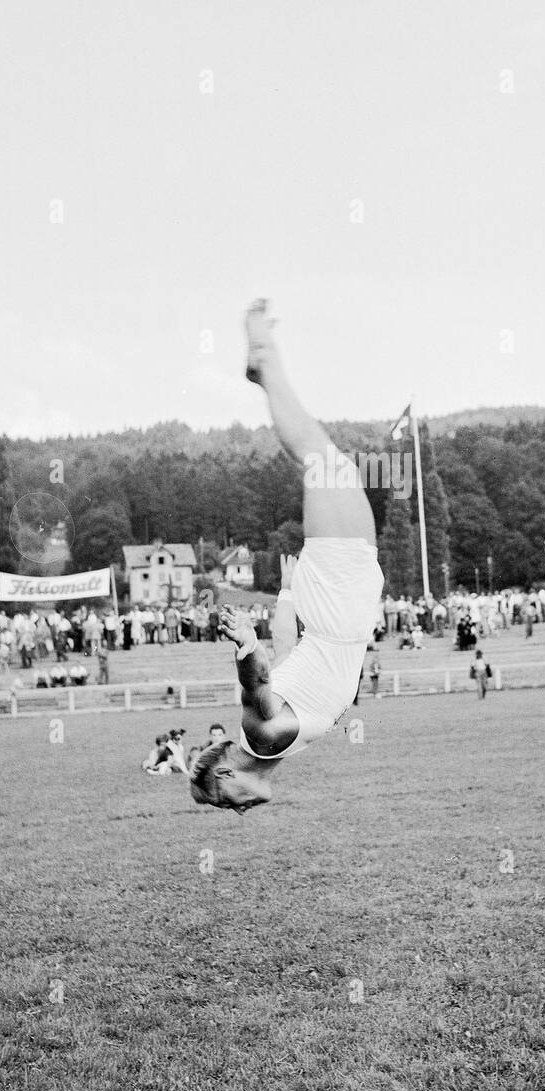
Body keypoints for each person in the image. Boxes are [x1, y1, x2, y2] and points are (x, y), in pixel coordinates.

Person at [188, 300, 384, 814]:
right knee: (327, 462)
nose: (234, 809)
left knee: (320, 459)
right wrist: (288, 591)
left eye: (222, 799)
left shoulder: (260, 734)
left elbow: (256, 682)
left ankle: (265, 364)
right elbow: (288, 652)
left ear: (226, 770)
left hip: (340, 603)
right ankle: (265, 366)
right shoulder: (277, 747)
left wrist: (246, 645)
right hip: (339, 605)